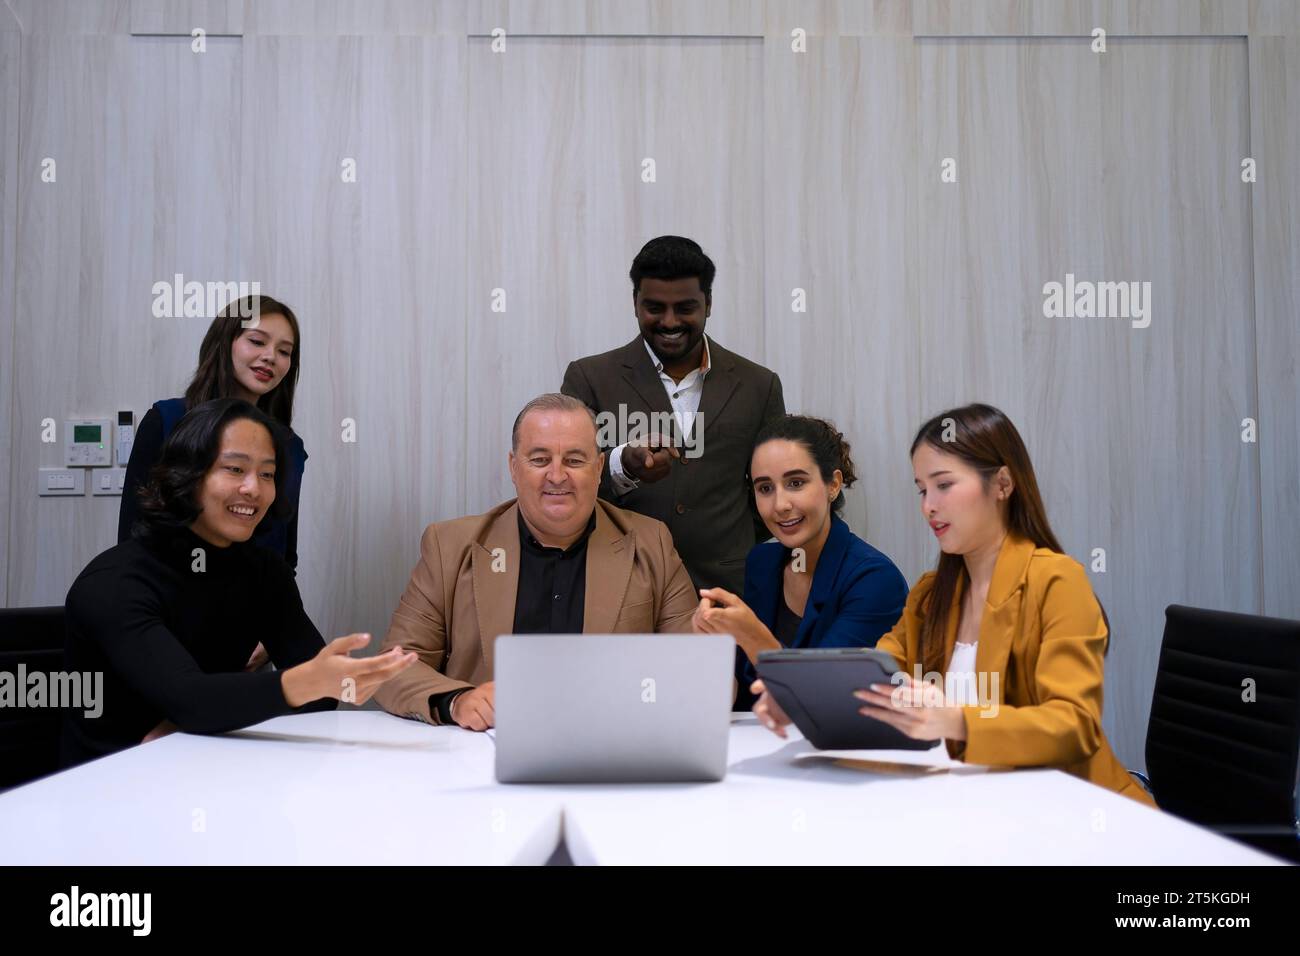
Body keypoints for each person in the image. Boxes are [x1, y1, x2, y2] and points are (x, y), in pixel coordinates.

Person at [751, 403, 1157, 806]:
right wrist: (806, 700)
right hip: (967, 806)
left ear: (1002, 484)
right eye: (922, 489)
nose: (929, 505)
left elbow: (1075, 727)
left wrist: (956, 719)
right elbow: (871, 670)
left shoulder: (1057, 581)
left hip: (1072, 813)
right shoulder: (931, 593)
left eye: (944, 485)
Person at [61, 399, 415, 767]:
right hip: (109, 784)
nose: (253, 489)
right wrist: (201, 712)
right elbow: (191, 697)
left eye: (267, 474)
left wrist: (202, 717)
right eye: (234, 469)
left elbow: (320, 695)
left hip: (211, 771)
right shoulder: (114, 583)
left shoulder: (262, 570)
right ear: (187, 475)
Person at [374, 393, 699, 731]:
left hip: (611, 750)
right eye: (540, 459)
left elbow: (699, 671)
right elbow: (392, 668)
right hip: (480, 758)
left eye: (574, 460)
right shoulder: (450, 546)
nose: (557, 476)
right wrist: (456, 701)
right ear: (514, 467)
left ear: (599, 467)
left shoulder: (651, 544)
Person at [561, 236, 785, 596]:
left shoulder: (760, 385)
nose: (669, 321)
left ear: (708, 304)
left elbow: (772, 490)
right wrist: (622, 466)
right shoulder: (589, 378)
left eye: (685, 308)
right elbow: (565, 482)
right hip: (620, 587)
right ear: (635, 304)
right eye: (654, 308)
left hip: (728, 591)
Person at [691, 415, 907, 711]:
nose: (780, 505)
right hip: (759, 741)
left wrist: (753, 637)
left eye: (795, 483)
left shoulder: (875, 579)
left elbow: (828, 695)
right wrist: (714, 643)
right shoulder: (762, 562)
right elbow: (745, 688)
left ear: (833, 484)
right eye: (765, 488)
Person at [119, 295, 307, 572]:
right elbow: (132, 534)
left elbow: (284, 546)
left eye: (284, 351)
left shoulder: (289, 446)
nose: (270, 357)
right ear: (224, 342)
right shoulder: (167, 420)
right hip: (170, 596)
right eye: (257, 341)